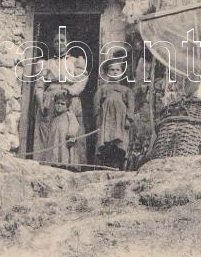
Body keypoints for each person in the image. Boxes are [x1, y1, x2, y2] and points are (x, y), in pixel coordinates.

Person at [32, 30, 88, 164]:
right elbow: (39, 85)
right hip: (50, 98)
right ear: (53, 44)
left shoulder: (76, 62)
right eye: (56, 41)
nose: (60, 43)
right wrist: (41, 102)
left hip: (70, 97)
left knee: (70, 128)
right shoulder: (47, 63)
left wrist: (71, 91)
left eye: (62, 40)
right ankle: (46, 162)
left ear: (68, 43)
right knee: (48, 129)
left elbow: (81, 81)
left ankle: (71, 163)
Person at [94, 58, 134, 170]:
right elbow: (96, 105)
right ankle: (106, 164)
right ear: (107, 73)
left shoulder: (126, 90)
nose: (115, 72)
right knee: (106, 141)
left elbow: (131, 107)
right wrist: (98, 120)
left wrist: (128, 119)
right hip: (106, 121)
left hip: (120, 122)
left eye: (118, 70)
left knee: (119, 142)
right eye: (112, 70)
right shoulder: (102, 89)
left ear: (121, 73)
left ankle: (118, 163)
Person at [49, 90, 81, 166]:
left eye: (62, 104)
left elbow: (75, 125)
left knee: (64, 153)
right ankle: (55, 163)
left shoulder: (69, 115)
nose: (59, 105)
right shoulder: (54, 119)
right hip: (56, 141)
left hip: (66, 142)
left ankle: (65, 164)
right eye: (57, 103)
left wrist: (71, 135)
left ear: (67, 106)